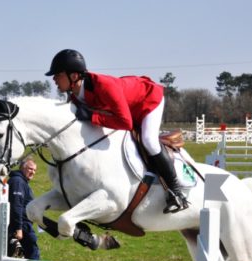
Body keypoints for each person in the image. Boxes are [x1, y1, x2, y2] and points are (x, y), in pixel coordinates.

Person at [45, 49, 188, 214]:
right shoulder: (76, 96)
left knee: (148, 140)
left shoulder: (104, 86)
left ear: (74, 76)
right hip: (127, 107)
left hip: (148, 100)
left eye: (58, 75)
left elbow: (125, 123)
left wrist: (92, 116)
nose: (54, 79)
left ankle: (176, 192)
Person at [7, 157, 46, 261]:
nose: (33, 172)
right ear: (22, 168)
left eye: (34, 170)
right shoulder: (18, 182)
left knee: (5, 253)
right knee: (33, 253)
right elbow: (16, 206)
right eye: (30, 169)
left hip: (21, 223)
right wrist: (19, 228)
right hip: (21, 224)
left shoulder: (21, 181)